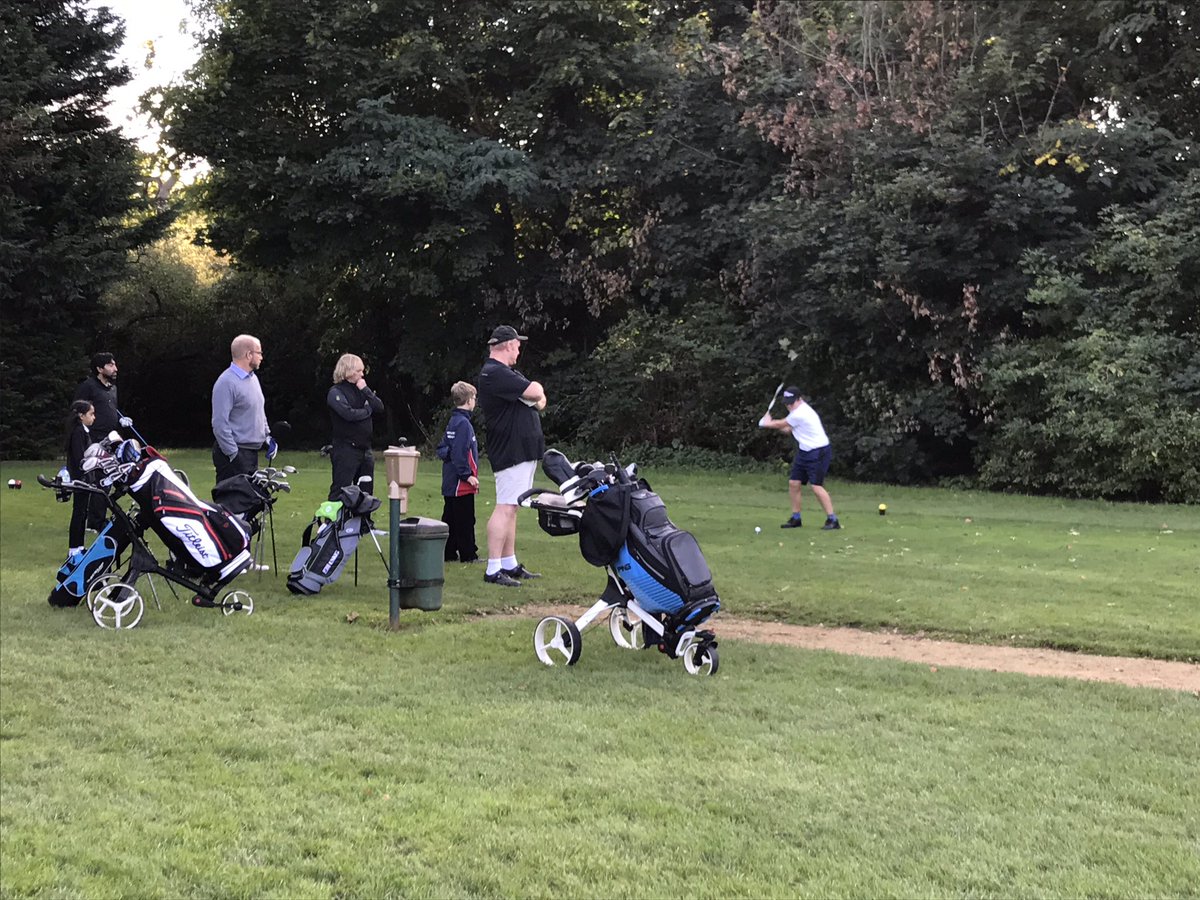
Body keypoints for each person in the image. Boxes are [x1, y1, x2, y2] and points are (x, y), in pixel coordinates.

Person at [477, 325, 546, 587]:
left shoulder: (507, 373)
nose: (519, 349)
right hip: (510, 449)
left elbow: (540, 400)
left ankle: (509, 563)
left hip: (521, 448)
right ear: (507, 344)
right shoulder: (495, 373)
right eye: (517, 345)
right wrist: (533, 392)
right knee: (505, 506)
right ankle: (493, 569)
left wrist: (533, 393)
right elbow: (536, 393)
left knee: (513, 506)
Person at [759, 386, 841, 530]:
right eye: (787, 403)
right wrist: (770, 422)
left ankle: (833, 520)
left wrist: (766, 423)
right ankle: (796, 518)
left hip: (818, 451)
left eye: (792, 402)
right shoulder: (795, 413)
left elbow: (781, 424)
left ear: (799, 399)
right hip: (805, 451)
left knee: (816, 486)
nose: (789, 405)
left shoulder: (801, 412)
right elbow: (787, 429)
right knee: (794, 483)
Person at [211, 334, 270, 484]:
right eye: (259, 353)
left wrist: (267, 436)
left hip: (250, 453)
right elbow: (219, 424)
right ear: (248, 354)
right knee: (232, 504)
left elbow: (259, 411)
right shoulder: (226, 382)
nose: (261, 357)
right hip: (233, 454)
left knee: (250, 502)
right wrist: (233, 454)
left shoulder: (253, 379)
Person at [326, 353, 384, 501]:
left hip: (365, 449)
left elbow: (379, 407)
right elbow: (348, 414)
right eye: (359, 371)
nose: (362, 374)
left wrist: (366, 391)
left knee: (366, 491)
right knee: (340, 489)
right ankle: (334, 522)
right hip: (346, 449)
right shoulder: (336, 392)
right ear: (348, 370)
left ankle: (364, 523)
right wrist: (366, 411)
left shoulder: (362, 390)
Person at [436, 381, 481, 564]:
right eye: (474, 398)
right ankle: (468, 554)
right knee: (465, 519)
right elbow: (459, 452)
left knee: (451, 519)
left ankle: (448, 552)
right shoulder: (464, 424)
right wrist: (467, 475)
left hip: (450, 480)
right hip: (460, 482)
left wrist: (450, 454)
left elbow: (442, 448)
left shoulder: (453, 421)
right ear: (469, 400)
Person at [64, 400, 96, 558]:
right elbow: (79, 457)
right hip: (80, 478)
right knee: (79, 512)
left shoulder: (84, 431)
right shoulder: (78, 432)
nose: (94, 417)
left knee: (83, 512)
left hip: (85, 477)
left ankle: (79, 546)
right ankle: (74, 549)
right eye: (91, 414)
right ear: (81, 416)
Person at [73, 352, 123, 438]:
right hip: (93, 437)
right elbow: (76, 412)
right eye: (111, 365)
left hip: (111, 436)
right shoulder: (88, 386)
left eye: (115, 365)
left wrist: (121, 419)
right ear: (100, 369)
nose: (115, 369)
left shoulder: (113, 388)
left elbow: (110, 409)